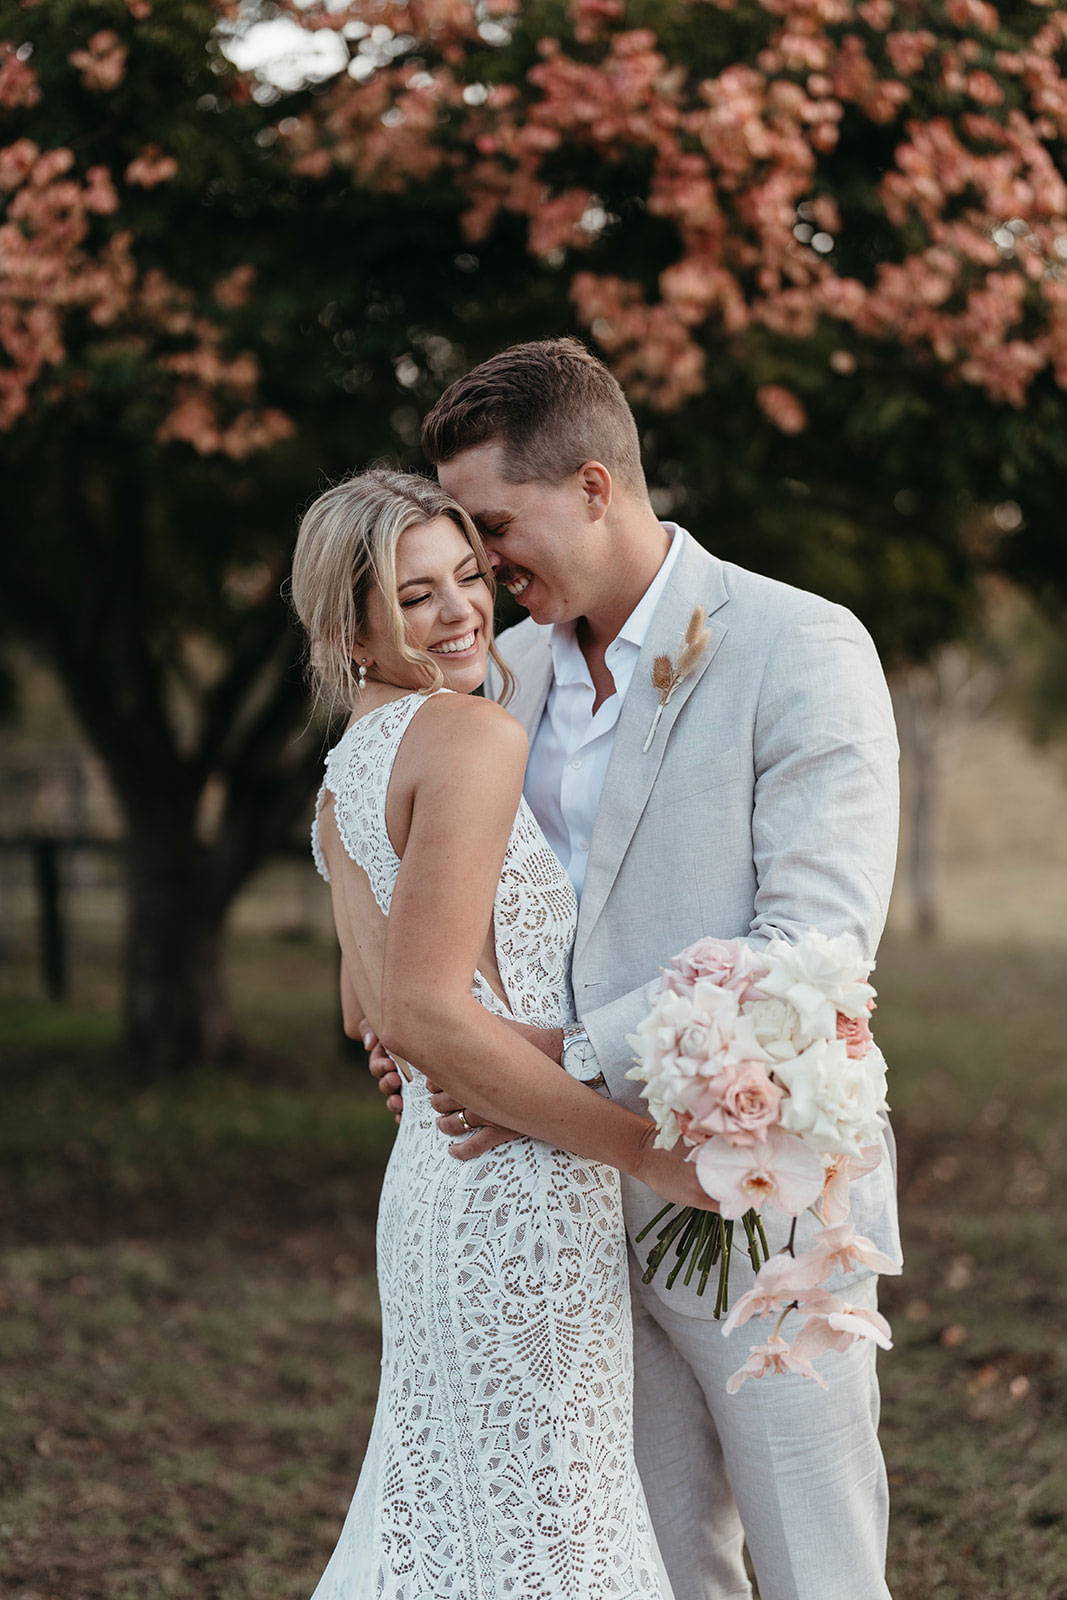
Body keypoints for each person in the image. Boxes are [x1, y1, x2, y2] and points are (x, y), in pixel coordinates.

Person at [367, 339, 902, 1600]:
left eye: (496, 523)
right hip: (566, 1215)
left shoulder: (800, 645)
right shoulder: (508, 674)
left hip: (756, 1206)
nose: (485, 565)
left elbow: (812, 955)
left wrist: (543, 1058)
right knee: (649, 1568)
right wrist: (416, 1022)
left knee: (816, 1566)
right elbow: (420, 850)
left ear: (596, 486)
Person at [290, 466, 707, 1598]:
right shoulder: (467, 736)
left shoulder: (343, 772)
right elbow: (418, 1012)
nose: (462, 609)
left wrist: (414, 1036)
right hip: (518, 1187)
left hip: (431, 1185)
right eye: (414, 594)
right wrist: (643, 1149)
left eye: (469, 576)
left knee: (464, 1526)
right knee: (554, 1537)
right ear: (349, 621)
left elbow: (364, 1011)